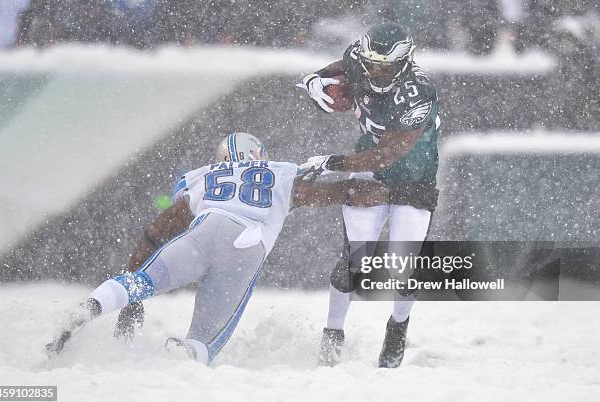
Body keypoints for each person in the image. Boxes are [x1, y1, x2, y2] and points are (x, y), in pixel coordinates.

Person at [46, 132, 387, 365]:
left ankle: (92, 305)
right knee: (204, 343)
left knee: (141, 282)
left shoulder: (205, 177)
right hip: (244, 249)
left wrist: (133, 294)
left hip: (203, 232)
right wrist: (384, 192)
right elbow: (336, 193)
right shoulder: (279, 176)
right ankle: (185, 358)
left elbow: (155, 232)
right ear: (256, 155)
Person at [300, 22, 441, 367]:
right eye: (371, 64)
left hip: (413, 176)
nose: (375, 72)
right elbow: (343, 65)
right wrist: (315, 78)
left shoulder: (418, 92)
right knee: (356, 260)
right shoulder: (359, 58)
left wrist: (333, 162)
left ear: (405, 62)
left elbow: (387, 155)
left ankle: (397, 328)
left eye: (385, 66)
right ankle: (332, 334)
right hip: (369, 176)